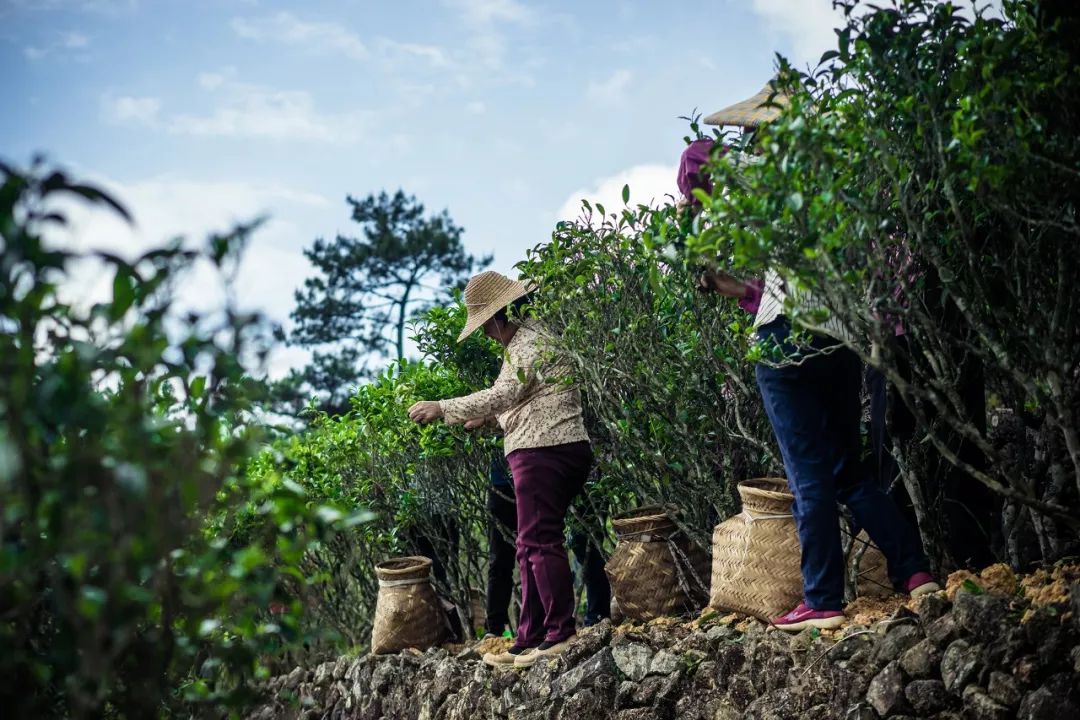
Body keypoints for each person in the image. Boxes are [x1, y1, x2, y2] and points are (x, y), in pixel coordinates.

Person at [699, 83, 940, 631]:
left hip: (784, 341)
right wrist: (731, 286)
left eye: (749, 134)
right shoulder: (834, 185)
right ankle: (914, 570)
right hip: (837, 338)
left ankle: (823, 599)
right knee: (848, 472)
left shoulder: (764, 178)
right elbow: (782, 284)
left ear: (764, 133)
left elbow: (696, 162)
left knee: (808, 475)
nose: (744, 143)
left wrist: (696, 237)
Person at [408, 270, 591, 666]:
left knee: (539, 541)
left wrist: (444, 407)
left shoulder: (528, 341)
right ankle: (531, 636)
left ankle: (560, 632)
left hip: (544, 450)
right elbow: (526, 399)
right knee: (529, 545)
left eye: (485, 327)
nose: (487, 336)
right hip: (547, 447)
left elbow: (507, 392)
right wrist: (489, 419)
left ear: (497, 316)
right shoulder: (529, 341)